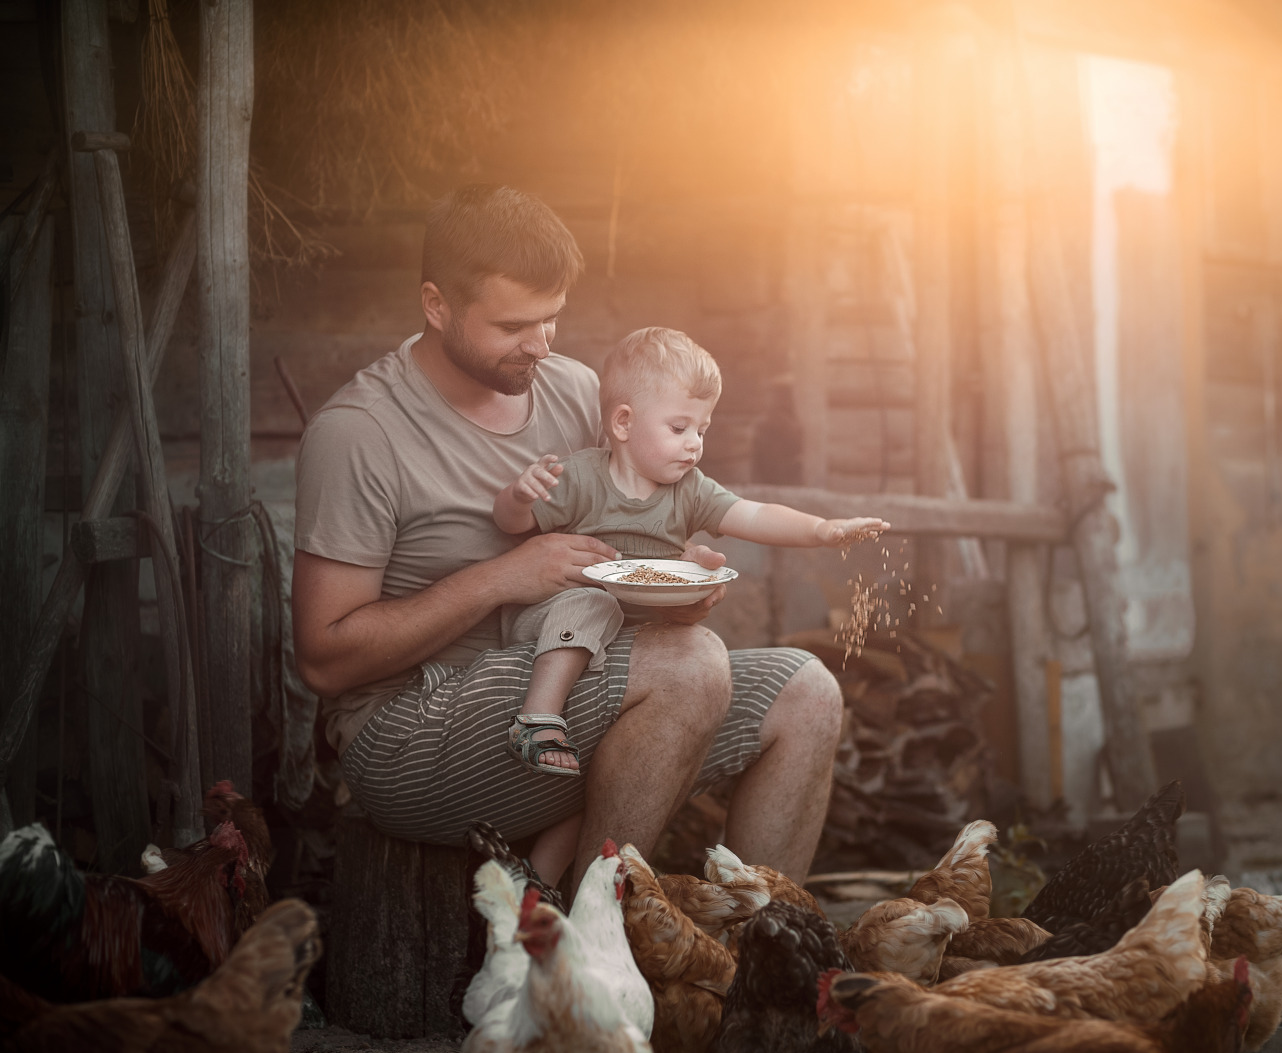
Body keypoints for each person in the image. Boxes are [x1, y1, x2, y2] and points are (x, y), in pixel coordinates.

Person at [291, 185, 845, 888]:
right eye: (514, 325)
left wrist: (672, 580)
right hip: (409, 732)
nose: (541, 345)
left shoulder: (575, 391)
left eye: (552, 319)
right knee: (688, 667)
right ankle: (584, 948)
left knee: (807, 691)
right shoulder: (360, 433)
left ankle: (758, 964)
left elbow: (623, 535)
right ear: (436, 305)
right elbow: (324, 662)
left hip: (566, 679)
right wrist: (502, 577)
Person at [491, 326, 886, 782]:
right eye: (679, 428)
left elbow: (754, 515)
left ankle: (553, 855)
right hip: (553, 621)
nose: (695, 442)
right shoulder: (581, 477)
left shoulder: (690, 490)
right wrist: (519, 497)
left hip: (630, 648)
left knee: (587, 773)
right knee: (592, 600)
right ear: (623, 423)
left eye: (702, 429)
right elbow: (510, 524)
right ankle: (537, 718)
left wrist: (822, 530)